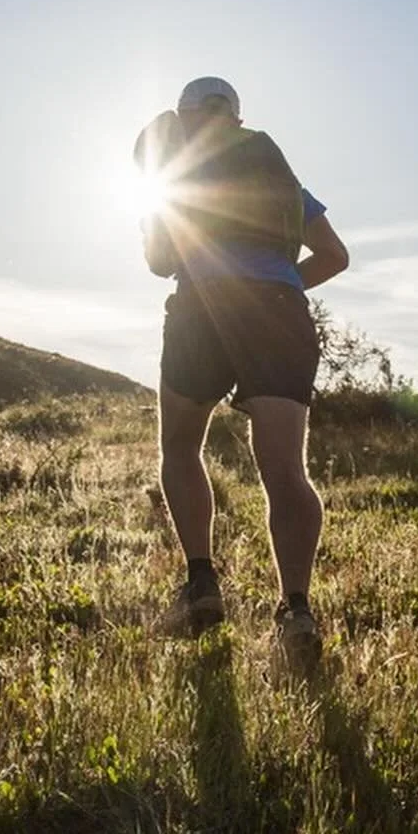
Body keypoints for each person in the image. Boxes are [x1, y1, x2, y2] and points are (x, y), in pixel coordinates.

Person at [137, 78, 349, 670]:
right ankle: (296, 609)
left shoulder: (175, 172)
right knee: (285, 468)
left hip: (201, 306)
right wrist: (276, 288)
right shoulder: (284, 184)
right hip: (279, 314)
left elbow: (159, 262)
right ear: (238, 116)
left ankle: (201, 582)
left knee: (180, 446)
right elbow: (336, 256)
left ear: (183, 118)